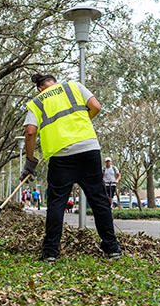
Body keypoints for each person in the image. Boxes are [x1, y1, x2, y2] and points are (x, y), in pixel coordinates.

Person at [20, 73, 121, 263]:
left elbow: (30, 132)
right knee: (99, 200)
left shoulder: (37, 101)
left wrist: (30, 160)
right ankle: (112, 248)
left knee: (57, 204)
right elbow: (96, 107)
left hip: (61, 157)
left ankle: (50, 252)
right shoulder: (74, 87)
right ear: (55, 82)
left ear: (40, 88)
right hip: (89, 150)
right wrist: (82, 124)